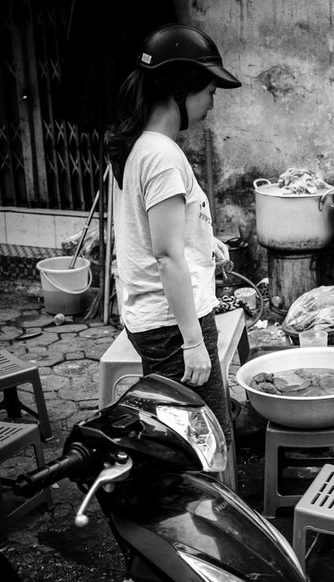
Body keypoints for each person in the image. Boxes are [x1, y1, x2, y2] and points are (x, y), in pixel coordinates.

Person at [104, 24, 241, 449]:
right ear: (181, 91)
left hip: (158, 320)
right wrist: (194, 343)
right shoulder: (162, 157)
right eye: (210, 92)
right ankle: (197, 513)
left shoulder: (138, 147)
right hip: (172, 326)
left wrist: (205, 242)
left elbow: (153, 235)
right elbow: (164, 256)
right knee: (201, 445)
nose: (212, 105)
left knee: (182, 437)